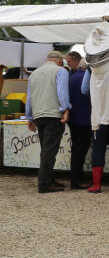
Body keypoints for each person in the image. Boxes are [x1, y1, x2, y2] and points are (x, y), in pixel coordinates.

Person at [81, 22, 109, 194]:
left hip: (97, 115)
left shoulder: (90, 68)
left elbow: (84, 89)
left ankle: (97, 185)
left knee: (98, 148)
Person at [26, 51, 71, 193]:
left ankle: (49, 179)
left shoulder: (33, 74)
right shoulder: (60, 71)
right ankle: (44, 183)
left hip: (39, 115)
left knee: (46, 149)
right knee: (50, 150)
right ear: (59, 61)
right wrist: (65, 109)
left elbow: (29, 98)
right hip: (53, 115)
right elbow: (62, 92)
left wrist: (29, 117)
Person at [65, 51, 92, 190]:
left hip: (74, 119)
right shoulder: (87, 79)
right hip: (85, 119)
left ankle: (75, 179)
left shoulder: (72, 77)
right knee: (80, 151)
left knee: (77, 150)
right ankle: (77, 181)